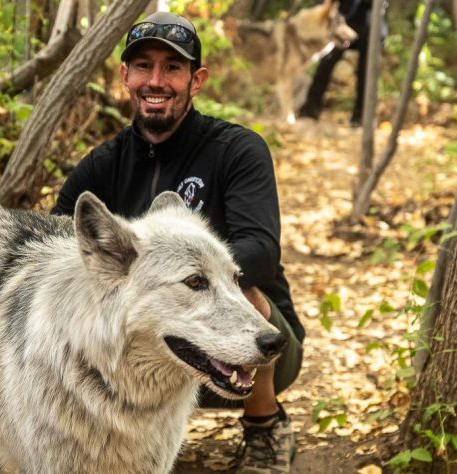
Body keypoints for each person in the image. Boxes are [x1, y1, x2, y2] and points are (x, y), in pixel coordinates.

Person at [51, 11, 304, 473]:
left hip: (256, 350)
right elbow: (53, 250)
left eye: (173, 67)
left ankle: (265, 429)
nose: (157, 80)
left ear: (196, 79)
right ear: (125, 76)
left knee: (237, 286)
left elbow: (262, 253)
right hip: (138, 347)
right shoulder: (101, 165)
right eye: (144, 66)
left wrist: (193, 278)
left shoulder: (238, 150)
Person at [298, 0, 386, 126]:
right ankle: (309, 110)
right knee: (327, 61)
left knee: (366, 70)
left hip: (370, 19)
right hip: (344, 17)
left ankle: (360, 117)